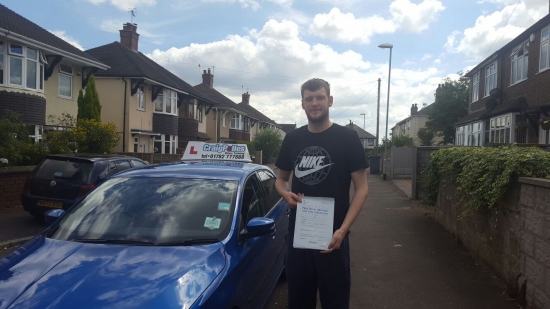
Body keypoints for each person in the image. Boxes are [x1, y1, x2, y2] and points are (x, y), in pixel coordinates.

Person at [275, 78, 369, 309]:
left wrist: (343, 230)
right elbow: (280, 180)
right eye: (309, 99)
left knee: (335, 302)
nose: (314, 103)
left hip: (333, 240)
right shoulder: (293, 138)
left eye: (319, 97)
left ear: (330, 100)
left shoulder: (347, 138)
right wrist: (286, 194)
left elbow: (362, 188)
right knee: (299, 302)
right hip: (299, 237)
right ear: (302, 104)